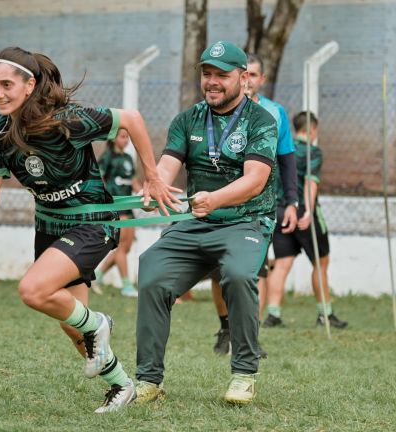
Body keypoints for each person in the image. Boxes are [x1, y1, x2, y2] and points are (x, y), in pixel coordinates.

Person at [0, 47, 180, 413]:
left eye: (7, 85)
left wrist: (152, 176)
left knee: (33, 290)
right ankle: (122, 385)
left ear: (29, 85)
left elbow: (132, 119)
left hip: (92, 223)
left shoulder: (67, 120)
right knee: (72, 324)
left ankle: (100, 323)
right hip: (49, 227)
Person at [135, 41, 278, 405]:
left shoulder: (261, 121)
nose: (212, 82)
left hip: (246, 221)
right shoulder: (187, 119)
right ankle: (148, 380)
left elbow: (255, 180)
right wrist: (157, 187)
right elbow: (168, 163)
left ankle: (244, 374)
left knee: (239, 275)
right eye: (207, 74)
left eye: (221, 75)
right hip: (196, 221)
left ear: (244, 78)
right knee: (150, 268)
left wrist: (215, 198)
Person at [210, 53, 299, 354]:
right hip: (219, 203)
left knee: (253, 270)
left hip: (259, 206)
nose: (249, 79)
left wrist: (292, 200)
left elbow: (287, 159)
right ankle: (226, 326)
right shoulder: (216, 111)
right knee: (218, 272)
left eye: (255, 74)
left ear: (258, 80)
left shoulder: (274, 113)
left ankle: (250, 335)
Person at [264, 111, 348, 328]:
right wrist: (308, 211)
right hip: (302, 212)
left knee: (282, 263)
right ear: (312, 130)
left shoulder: (280, 150)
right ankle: (325, 314)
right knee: (320, 263)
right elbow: (311, 183)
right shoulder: (313, 153)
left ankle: (273, 314)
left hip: (280, 210)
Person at [94, 128, 142, 297]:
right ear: (114, 139)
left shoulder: (128, 158)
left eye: (127, 137)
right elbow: (98, 180)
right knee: (121, 247)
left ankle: (97, 276)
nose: (126, 140)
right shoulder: (108, 157)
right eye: (122, 137)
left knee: (126, 247)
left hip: (128, 206)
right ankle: (127, 285)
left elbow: (134, 182)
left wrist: (145, 197)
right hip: (116, 206)